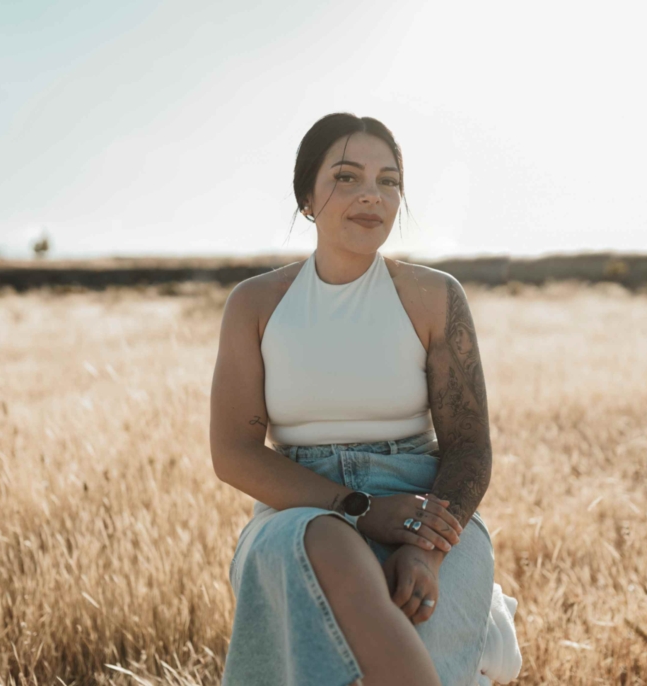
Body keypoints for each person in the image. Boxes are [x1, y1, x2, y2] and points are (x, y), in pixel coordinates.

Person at [210, 112, 496, 686]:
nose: (372, 195)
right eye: (347, 177)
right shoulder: (256, 304)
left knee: (421, 628)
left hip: (425, 510)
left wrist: (427, 549)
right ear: (306, 198)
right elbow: (234, 453)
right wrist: (358, 508)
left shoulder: (435, 296)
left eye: (388, 181)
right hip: (295, 509)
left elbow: (469, 448)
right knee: (323, 540)